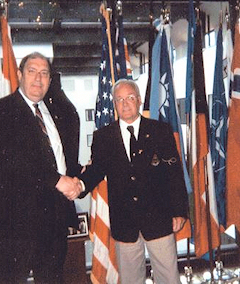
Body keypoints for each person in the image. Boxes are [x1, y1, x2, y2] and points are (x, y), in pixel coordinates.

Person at [0, 52, 83, 283]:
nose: (38, 79)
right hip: (16, 222)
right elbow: (13, 160)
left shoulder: (58, 113)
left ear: (50, 79)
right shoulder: (0, 110)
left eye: (44, 73)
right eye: (32, 71)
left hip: (54, 219)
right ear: (19, 74)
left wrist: (78, 181)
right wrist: (59, 181)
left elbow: (63, 159)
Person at [80, 79, 189, 284]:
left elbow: (173, 174)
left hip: (159, 218)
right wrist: (80, 185)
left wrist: (179, 210)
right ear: (114, 104)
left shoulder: (160, 131)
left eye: (130, 98)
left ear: (139, 100)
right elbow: (96, 170)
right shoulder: (103, 137)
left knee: (168, 278)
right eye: (119, 99)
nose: (125, 103)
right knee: (131, 280)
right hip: (125, 223)